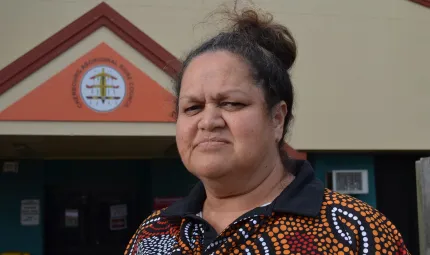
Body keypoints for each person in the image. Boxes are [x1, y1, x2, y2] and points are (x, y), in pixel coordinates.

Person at [125, 3, 410, 255]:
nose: (208, 121)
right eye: (193, 107)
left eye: (231, 103)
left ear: (276, 118)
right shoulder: (153, 233)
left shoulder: (354, 231)